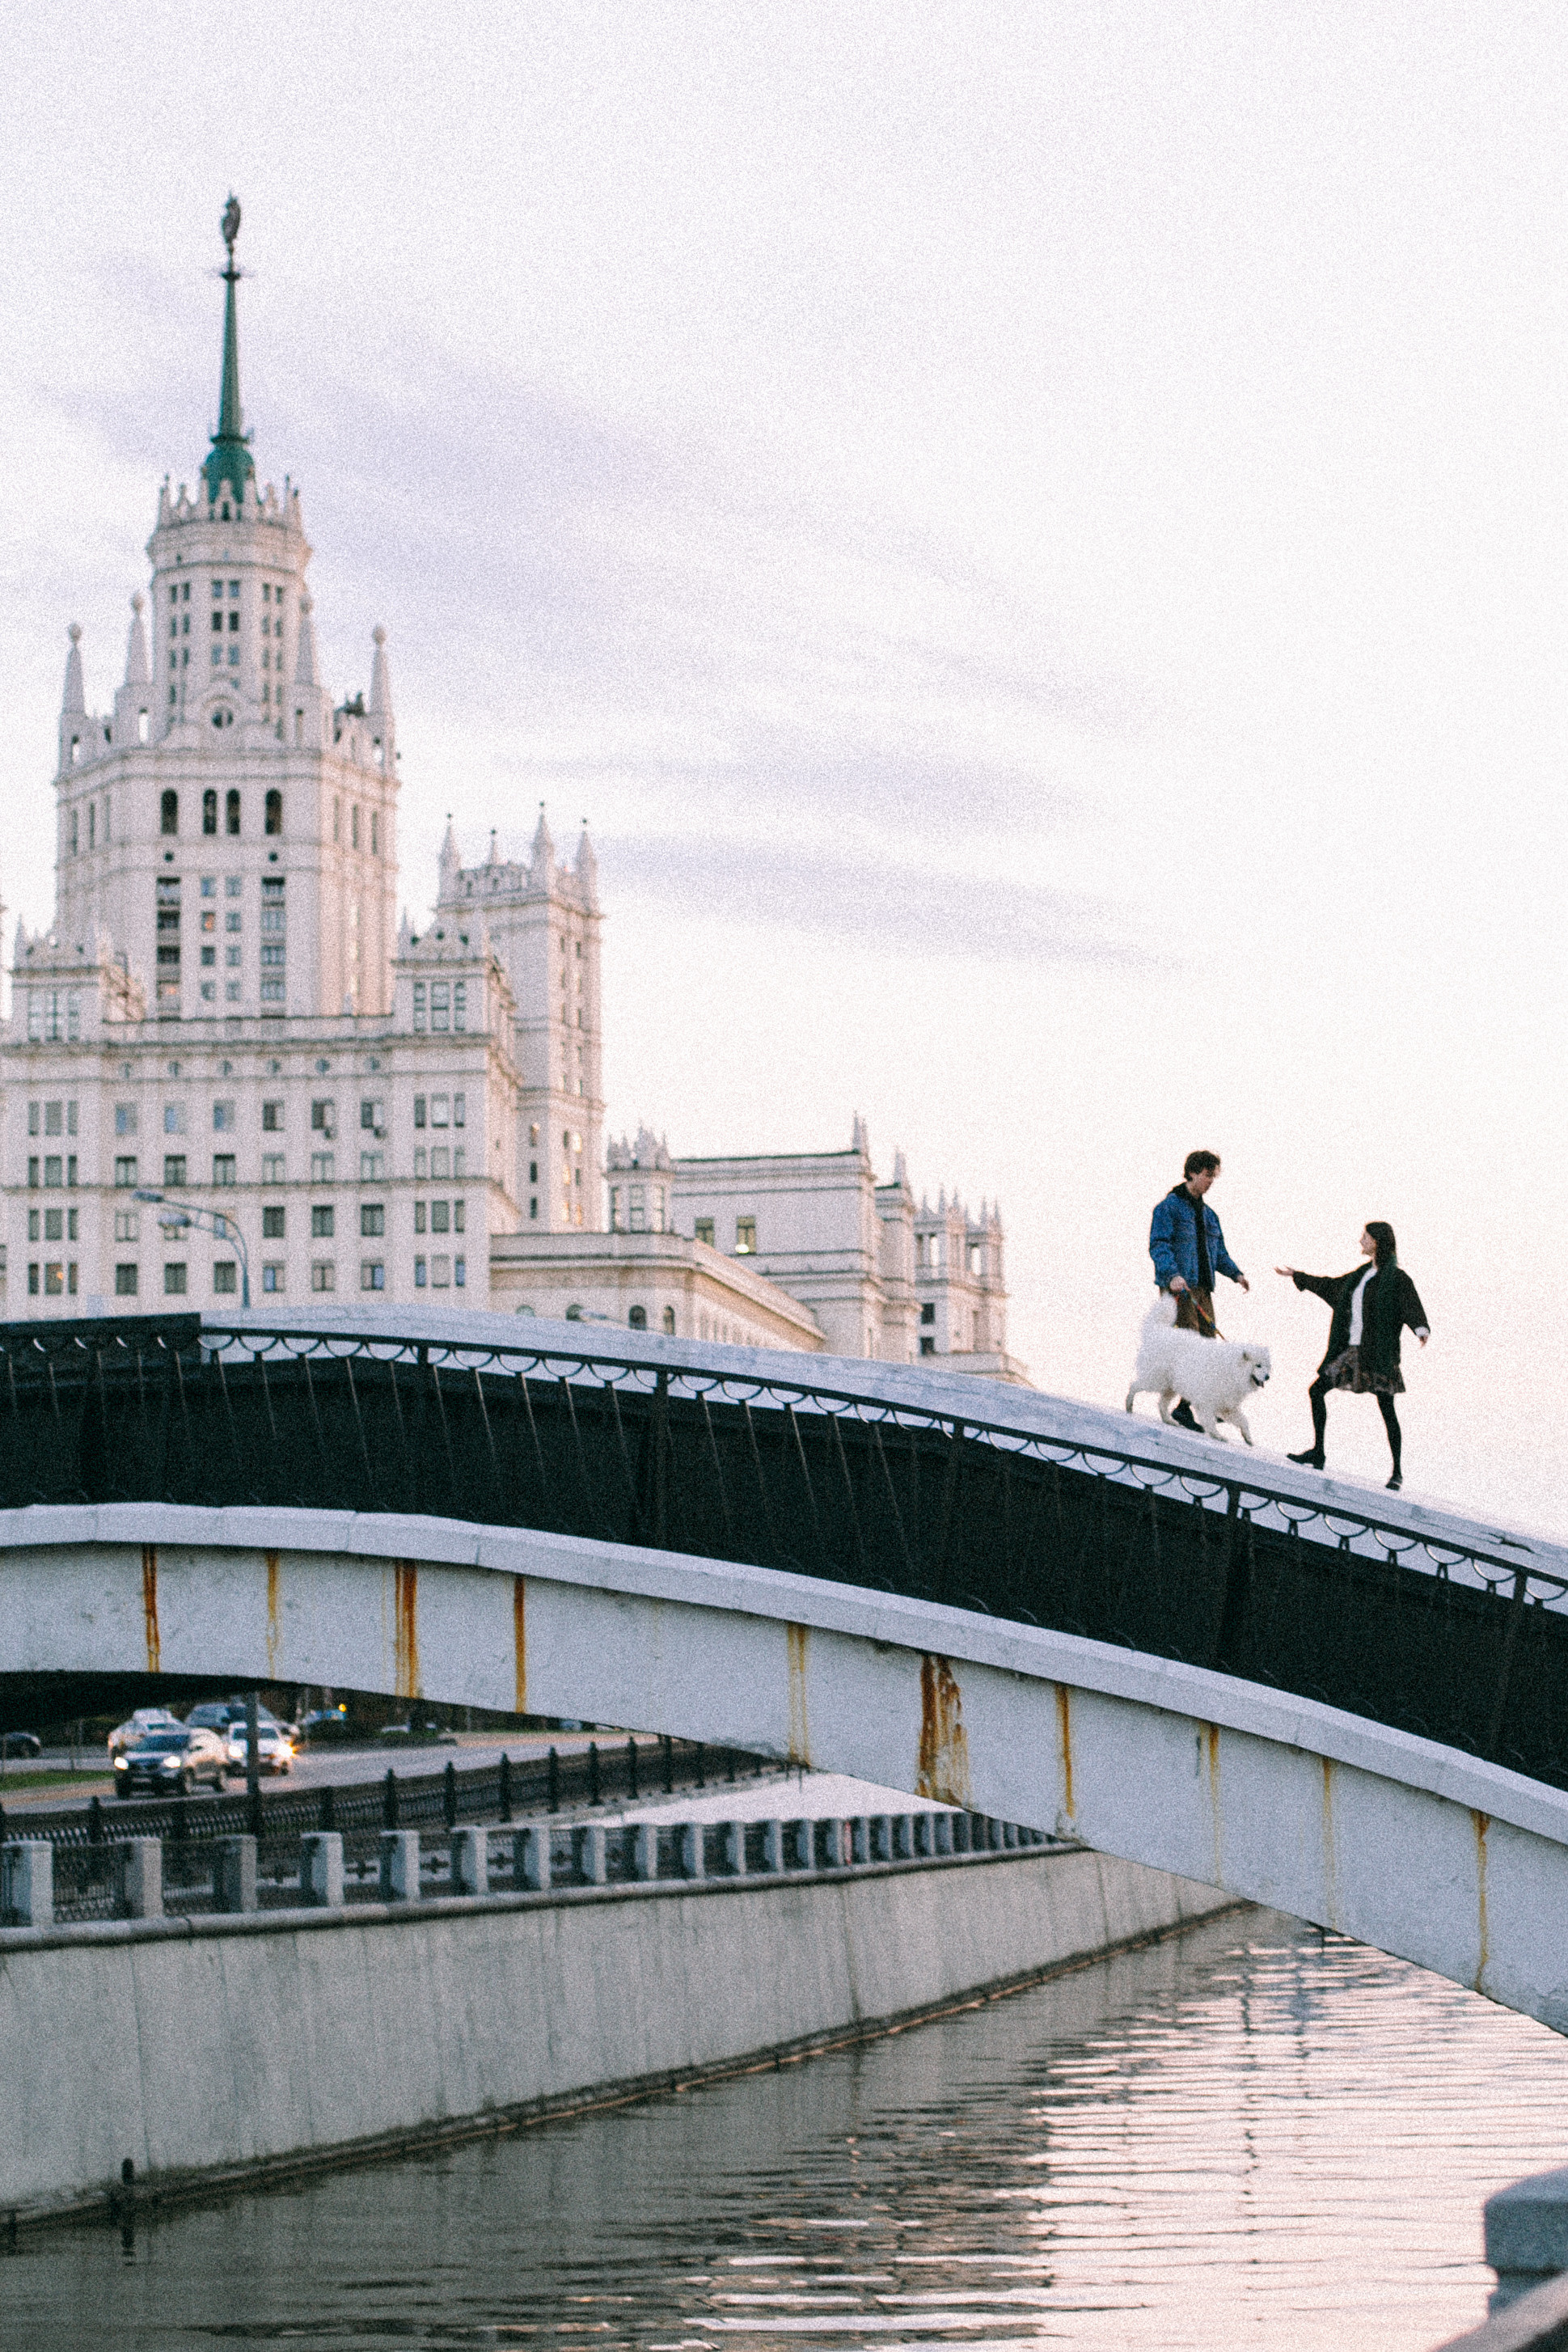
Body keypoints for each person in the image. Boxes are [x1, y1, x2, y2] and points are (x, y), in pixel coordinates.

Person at [1274, 1222, 1429, 1491]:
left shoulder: (1396, 1278)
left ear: (1377, 1242)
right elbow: (1331, 1287)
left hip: (1378, 1353)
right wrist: (1299, 1276)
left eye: (1365, 1237)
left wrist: (1420, 1328)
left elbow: (1409, 1304)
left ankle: (1397, 1472)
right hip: (1350, 1351)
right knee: (1316, 1391)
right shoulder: (1361, 1275)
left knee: (1387, 1408)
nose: (1360, 1241)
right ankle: (1318, 1452)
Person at [1148, 1152, 1250, 1432]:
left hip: (1203, 1289)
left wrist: (1236, 1274)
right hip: (1180, 1287)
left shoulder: (1210, 1216)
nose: (1210, 1182)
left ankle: (1188, 1406)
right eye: (1207, 1175)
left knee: (1208, 1347)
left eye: (1213, 1177)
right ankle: (1182, 1406)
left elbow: (1218, 1254)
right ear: (1192, 1173)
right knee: (1190, 1345)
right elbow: (1159, 1245)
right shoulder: (1168, 1208)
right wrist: (1171, 1275)